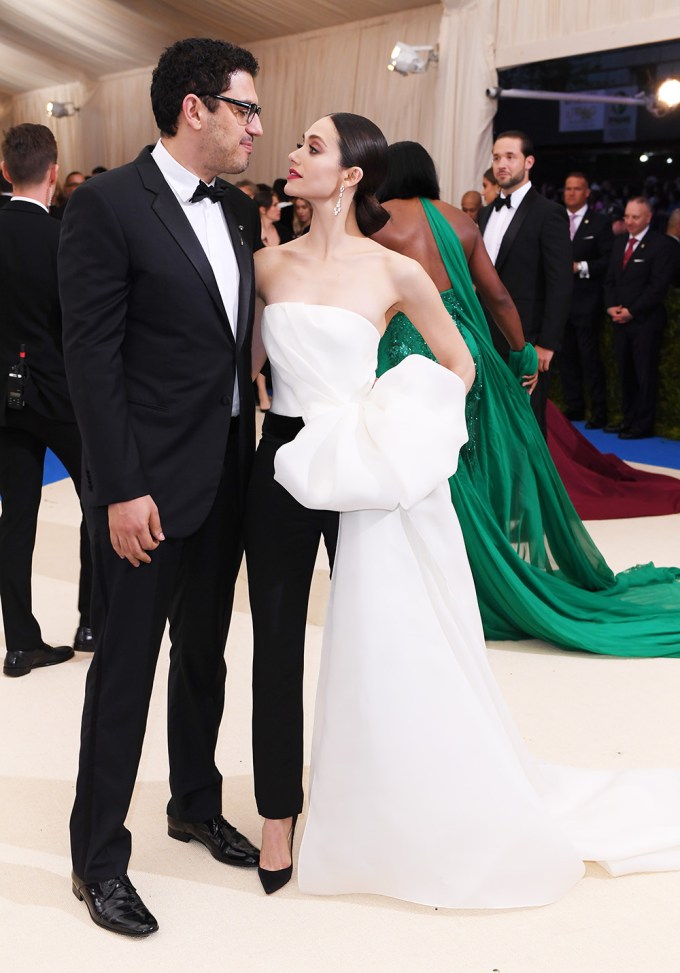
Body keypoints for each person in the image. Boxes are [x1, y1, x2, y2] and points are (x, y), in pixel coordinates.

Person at [252, 112, 680, 910]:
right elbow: (247, 368)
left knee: (382, 635)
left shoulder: (393, 271)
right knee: (275, 642)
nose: (291, 153)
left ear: (350, 175)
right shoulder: (266, 267)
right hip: (281, 468)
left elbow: (460, 360)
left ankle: (393, 792)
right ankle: (280, 815)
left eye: (311, 145)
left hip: (371, 476)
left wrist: (397, 420)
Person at [59, 37, 263, 937]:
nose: (258, 125)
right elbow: (91, 359)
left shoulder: (239, 209)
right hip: (147, 487)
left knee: (206, 655)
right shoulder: (108, 205)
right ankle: (97, 857)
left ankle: (193, 800)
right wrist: (119, 489)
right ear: (195, 106)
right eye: (245, 108)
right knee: (126, 672)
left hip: (227, 469)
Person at [372, 140, 680, 653]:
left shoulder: (377, 222)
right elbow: (497, 296)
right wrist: (520, 354)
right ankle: (475, 573)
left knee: (418, 468)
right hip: (464, 353)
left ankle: (433, 577)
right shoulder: (463, 222)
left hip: (405, 351)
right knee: (466, 460)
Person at [0, 124, 93, 677]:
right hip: (60, 392)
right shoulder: (63, 238)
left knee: (15, 519)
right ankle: (91, 620)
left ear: (6, 171)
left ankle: (19, 642)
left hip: (4, 393)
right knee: (97, 504)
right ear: (54, 173)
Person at [478, 130, 572, 436]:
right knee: (488, 423)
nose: (501, 164)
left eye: (510, 157)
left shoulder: (549, 213)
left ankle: (532, 485)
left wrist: (547, 343)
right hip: (482, 336)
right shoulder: (483, 214)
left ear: (528, 161)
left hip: (525, 339)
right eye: (496, 158)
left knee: (527, 426)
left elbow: (560, 283)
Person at [603, 197, 677, 439]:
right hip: (619, 321)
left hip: (645, 322)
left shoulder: (661, 245)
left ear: (648, 218)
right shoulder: (619, 242)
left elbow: (658, 287)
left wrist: (632, 311)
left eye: (635, 217)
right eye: (627, 216)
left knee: (644, 373)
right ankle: (628, 418)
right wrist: (611, 307)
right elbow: (610, 279)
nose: (630, 221)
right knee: (625, 372)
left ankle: (643, 425)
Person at [558, 172, 613, 428]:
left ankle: (599, 411)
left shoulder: (600, 223)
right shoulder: (556, 218)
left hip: (587, 302)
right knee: (566, 357)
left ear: (587, 192)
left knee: (589, 359)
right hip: (560, 302)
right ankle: (575, 406)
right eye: (568, 188)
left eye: (576, 189)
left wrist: (580, 266)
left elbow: (608, 261)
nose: (571, 193)